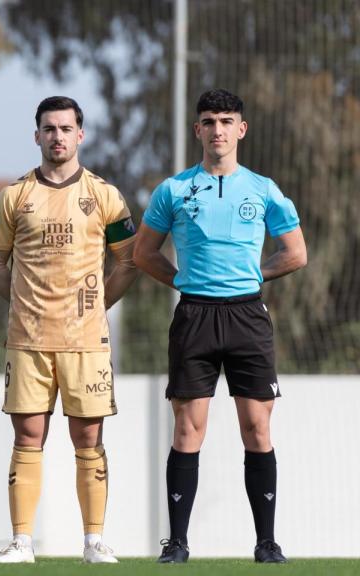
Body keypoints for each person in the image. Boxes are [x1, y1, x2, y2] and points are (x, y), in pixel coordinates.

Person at [133, 89, 306, 564]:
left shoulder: (263, 188)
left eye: (226, 121)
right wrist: (183, 281)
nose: (218, 130)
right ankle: (179, 543)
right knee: (189, 429)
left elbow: (296, 253)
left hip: (248, 316)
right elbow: (143, 253)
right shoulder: (173, 189)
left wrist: (257, 276)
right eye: (208, 121)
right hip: (195, 316)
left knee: (257, 428)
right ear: (198, 130)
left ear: (241, 129)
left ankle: (267, 542)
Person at [0, 96, 138, 564]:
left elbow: (128, 261)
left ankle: (93, 543)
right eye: (49, 129)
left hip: (86, 342)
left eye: (66, 128)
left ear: (80, 135)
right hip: (28, 341)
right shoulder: (15, 195)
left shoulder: (105, 195)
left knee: (88, 440)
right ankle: (22, 543)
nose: (57, 137)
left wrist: (95, 306)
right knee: (28, 437)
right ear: (37, 136)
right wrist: (23, 304)